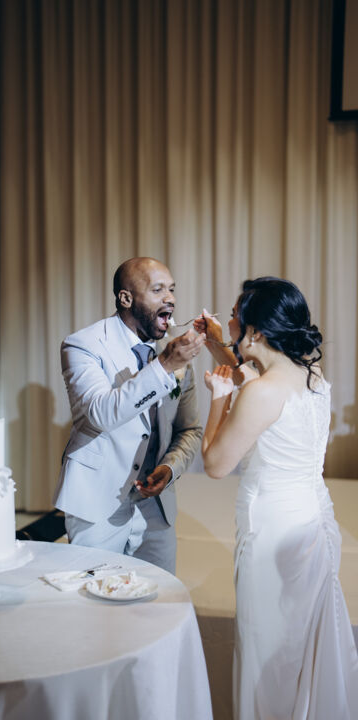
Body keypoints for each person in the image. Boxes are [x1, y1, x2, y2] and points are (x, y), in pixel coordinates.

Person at [195, 277, 358, 719]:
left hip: (269, 533)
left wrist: (219, 398)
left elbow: (215, 464)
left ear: (257, 331)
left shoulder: (259, 393)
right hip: (312, 521)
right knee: (298, 643)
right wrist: (219, 345)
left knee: (266, 648)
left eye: (234, 316)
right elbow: (255, 376)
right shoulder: (311, 375)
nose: (229, 320)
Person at [53, 257, 205, 573]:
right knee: (94, 593)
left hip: (156, 508)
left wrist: (170, 468)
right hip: (98, 502)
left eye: (172, 290)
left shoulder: (175, 356)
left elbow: (189, 429)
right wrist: (164, 366)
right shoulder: (83, 345)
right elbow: (101, 413)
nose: (170, 298)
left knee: (159, 595)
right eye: (158, 290)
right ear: (126, 298)